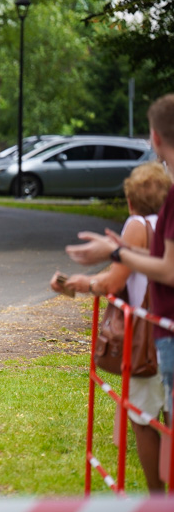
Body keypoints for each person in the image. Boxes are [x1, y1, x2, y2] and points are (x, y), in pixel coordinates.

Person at [52, 162, 171, 492]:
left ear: (130, 202)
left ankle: (160, 505)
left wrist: (77, 283)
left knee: (144, 422)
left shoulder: (138, 225)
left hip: (148, 340)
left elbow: (113, 280)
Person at [65, 94, 174, 421]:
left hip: (156, 327)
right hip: (162, 327)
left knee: (145, 417)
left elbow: (129, 277)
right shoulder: (163, 215)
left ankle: (157, 475)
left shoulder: (138, 224)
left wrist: (112, 254)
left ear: (155, 138)